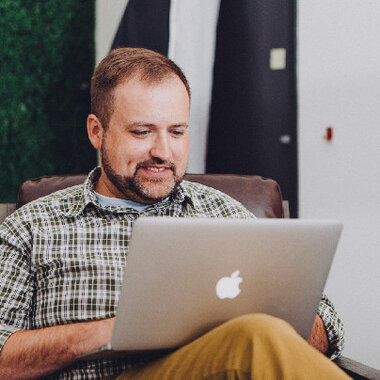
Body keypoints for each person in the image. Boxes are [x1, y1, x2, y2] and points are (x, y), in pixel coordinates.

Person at [0, 48, 350, 379]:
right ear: (97, 131)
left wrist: (237, 324)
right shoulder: (33, 227)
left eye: (177, 132)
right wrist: (118, 330)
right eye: (142, 132)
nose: (163, 151)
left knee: (259, 333)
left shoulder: (222, 212)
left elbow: (327, 324)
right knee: (256, 336)